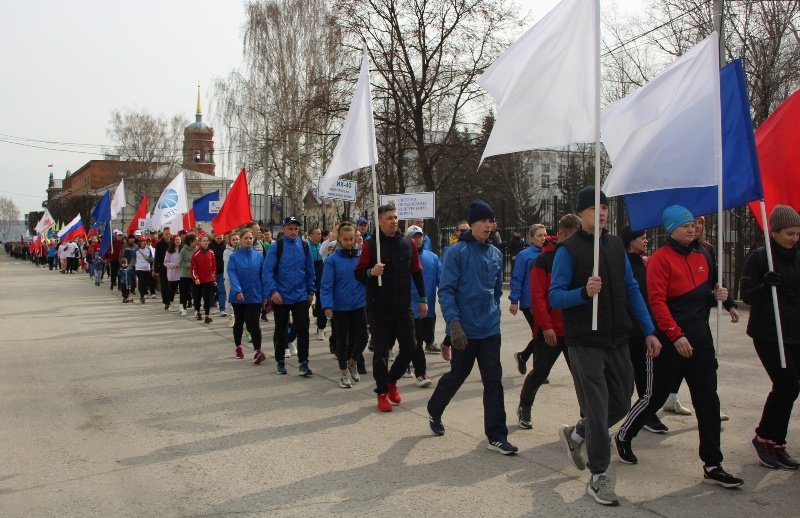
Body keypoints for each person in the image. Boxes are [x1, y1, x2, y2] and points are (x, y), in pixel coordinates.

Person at [614, 205, 744, 489]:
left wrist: (723, 298)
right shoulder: (660, 260)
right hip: (668, 341)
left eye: (693, 225)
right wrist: (675, 335)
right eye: (685, 225)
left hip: (700, 341)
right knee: (654, 397)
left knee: (708, 400)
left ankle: (712, 464)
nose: (692, 229)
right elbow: (657, 303)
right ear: (672, 229)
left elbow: (707, 295)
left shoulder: (703, 256)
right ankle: (624, 434)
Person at [550, 186, 660, 506]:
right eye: (594, 207)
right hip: (585, 341)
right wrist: (583, 292)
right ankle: (599, 476)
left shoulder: (614, 246)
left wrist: (648, 330)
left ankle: (577, 433)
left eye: (605, 207)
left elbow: (631, 289)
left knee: (622, 405)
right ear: (581, 212)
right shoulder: (567, 251)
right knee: (598, 411)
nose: (601, 212)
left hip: (617, 338)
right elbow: (556, 297)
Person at [426, 200, 516, 455]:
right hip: (464, 331)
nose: (489, 226)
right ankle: (434, 408)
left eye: (491, 221)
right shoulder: (457, 252)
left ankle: (497, 435)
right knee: (458, 376)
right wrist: (454, 325)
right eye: (484, 221)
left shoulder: (496, 254)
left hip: (489, 330)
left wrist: (493, 314)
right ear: (473, 224)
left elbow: (497, 290)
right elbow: (446, 291)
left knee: (493, 381)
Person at [662, 215, 739, 421]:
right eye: (689, 224)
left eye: (699, 223)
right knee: (679, 365)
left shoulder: (706, 249)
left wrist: (729, 302)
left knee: (705, 366)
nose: (695, 227)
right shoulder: (671, 252)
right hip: (677, 320)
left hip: (700, 319)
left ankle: (709, 406)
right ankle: (669, 398)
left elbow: (715, 279)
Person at [741, 205, 800, 470]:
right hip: (769, 332)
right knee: (786, 384)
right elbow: (747, 295)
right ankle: (763, 437)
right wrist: (765, 285)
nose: (794, 238)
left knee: (792, 387)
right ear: (774, 232)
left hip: (795, 331)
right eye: (789, 233)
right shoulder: (758, 258)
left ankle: (778, 443)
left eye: (798, 233)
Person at [355, 203, 427, 411]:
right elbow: (358, 273)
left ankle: (392, 380)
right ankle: (382, 393)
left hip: (404, 306)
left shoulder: (407, 243)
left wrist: (422, 298)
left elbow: (417, 272)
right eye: (389, 218)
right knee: (381, 353)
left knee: (410, 348)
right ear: (379, 220)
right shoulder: (371, 245)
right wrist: (371, 272)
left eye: (395, 217)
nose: (394, 221)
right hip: (379, 307)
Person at [516, 214, 581, 430]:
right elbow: (538, 297)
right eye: (574, 235)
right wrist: (546, 327)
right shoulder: (542, 261)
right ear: (563, 234)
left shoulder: (577, 255)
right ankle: (525, 406)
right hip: (551, 330)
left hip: (574, 329)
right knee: (540, 372)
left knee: (582, 377)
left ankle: (588, 419)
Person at [619, 225, 669, 434]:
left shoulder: (644, 262)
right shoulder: (621, 262)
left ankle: (646, 414)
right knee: (624, 376)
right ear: (630, 240)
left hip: (643, 326)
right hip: (626, 327)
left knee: (644, 373)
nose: (646, 241)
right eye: (642, 237)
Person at [263, 216, 316, 375]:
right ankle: (280, 361)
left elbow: (310, 270)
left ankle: (303, 362)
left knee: (303, 329)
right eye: (290, 229)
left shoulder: (304, 246)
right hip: (281, 296)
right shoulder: (276, 247)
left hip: (300, 295)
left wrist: (310, 291)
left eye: (296, 229)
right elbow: (267, 272)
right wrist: (273, 292)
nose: (293, 232)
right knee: (280, 329)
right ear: (284, 229)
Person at [321, 223, 367, 388]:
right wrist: (327, 305)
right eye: (345, 239)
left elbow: (366, 278)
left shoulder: (361, 257)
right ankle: (344, 373)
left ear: (355, 238)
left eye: (351, 239)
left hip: (359, 304)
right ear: (339, 239)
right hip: (340, 307)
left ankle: (353, 361)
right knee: (342, 341)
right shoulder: (332, 260)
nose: (349, 242)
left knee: (363, 337)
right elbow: (326, 285)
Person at [510, 224, 548, 375]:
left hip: (546, 301)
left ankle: (523, 356)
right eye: (539, 235)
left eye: (544, 235)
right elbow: (517, 278)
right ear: (531, 238)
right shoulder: (524, 255)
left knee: (541, 335)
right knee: (539, 335)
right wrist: (514, 300)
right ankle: (537, 370)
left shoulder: (549, 253)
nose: (543, 238)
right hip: (529, 302)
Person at [407, 224, 441, 386]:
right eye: (414, 236)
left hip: (427, 309)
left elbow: (441, 279)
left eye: (419, 236)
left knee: (424, 339)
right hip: (409, 309)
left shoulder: (432, 257)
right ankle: (421, 373)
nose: (417, 239)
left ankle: (406, 360)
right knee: (417, 341)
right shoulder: (403, 257)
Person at [227, 229, 266, 360]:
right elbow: (232, 274)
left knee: (254, 323)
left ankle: (258, 351)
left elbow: (263, 276)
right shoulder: (234, 257)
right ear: (241, 240)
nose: (248, 240)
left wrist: (265, 294)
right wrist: (238, 290)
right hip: (239, 296)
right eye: (246, 238)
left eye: (250, 238)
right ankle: (238, 347)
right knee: (239, 321)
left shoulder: (259, 256)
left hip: (255, 294)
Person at [307, 226, 328, 341]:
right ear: (310, 235)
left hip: (321, 275)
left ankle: (321, 327)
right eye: (316, 234)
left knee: (321, 302)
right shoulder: (306, 247)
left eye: (320, 234)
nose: (319, 236)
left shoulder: (323, 247)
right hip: (309, 274)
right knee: (306, 302)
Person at [191, 234, 216, 324]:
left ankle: (207, 315)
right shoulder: (196, 253)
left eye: (207, 241)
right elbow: (193, 267)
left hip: (208, 279)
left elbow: (213, 266)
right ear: (200, 242)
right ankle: (197, 312)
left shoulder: (211, 252)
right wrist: (196, 278)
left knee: (207, 297)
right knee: (197, 297)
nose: (205, 242)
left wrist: (213, 277)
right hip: (198, 280)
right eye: (203, 241)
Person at [223, 232, 240, 328]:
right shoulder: (226, 252)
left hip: (240, 278)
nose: (235, 241)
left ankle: (238, 317)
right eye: (233, 240)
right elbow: (231, 263)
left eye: (237, 239)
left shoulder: (241, 250)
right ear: (229, 241)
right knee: (229, 299)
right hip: (229, 278)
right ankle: (230, 318)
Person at [209, 232, 228, 318]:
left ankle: (222, 309)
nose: (220, 239)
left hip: (222, 272)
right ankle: (211, 306)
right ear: (214, 237)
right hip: (212, 273)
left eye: (221, 238)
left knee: (222, 291)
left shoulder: (225, 246)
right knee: (211, 290)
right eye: (218, 238)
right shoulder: (210, 246)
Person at [178, 233, 196, 316]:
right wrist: (190, 265)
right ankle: (184, 308)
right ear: (190, 241)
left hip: (195, 275)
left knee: (196, 292)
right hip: (185, 275)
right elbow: (180, 263)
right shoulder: (183, 250)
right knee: (184, 292)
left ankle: (197, 309)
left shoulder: (197, 249)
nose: (196, 242)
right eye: (195, 241)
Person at [133, 236, 154, 304]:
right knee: (141, 281)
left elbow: (152, 260)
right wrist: (129, 267)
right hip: (139, 268)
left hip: (147, 268)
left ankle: (144, 293)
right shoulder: (136, 250)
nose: (143, 242)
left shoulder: (148, 249)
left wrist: (147, 258)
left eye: (144, 241)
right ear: (139, 242)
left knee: (146, 282)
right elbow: (133, 260)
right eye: (141, 241)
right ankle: (142, 296)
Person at [154, 227, 172, 309]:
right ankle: (166, 301)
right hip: (163, 268)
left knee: (171, 286)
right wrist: (156, 270)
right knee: (164, 285)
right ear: (163, 234)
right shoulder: (159, 244)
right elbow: (156, 258)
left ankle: (170, 300)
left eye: (169, 234)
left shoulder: (173, 243)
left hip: (173, 268)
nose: (168, 235)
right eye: (166, 234)